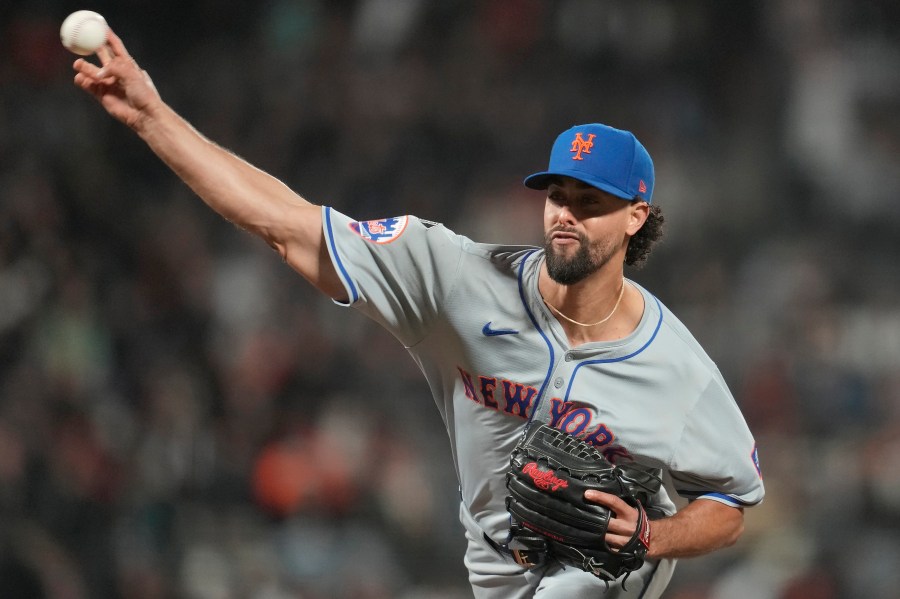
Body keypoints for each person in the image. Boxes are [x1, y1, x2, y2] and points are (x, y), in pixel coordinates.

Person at [72, 31, 765, 599]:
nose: (565, 214)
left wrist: (649, 535)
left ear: (636, 215)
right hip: (495, 571)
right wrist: (151, 118)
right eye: (558, 193)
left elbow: (731, 505)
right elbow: (287, 224)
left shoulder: (675, 366)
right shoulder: (455, 279)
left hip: (608, 572)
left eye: (591, 201)